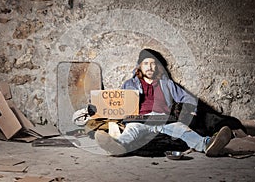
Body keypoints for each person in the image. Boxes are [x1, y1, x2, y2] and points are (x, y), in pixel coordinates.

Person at [94, 48, 232, 157]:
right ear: (140, 66)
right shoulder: (129, 84)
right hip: (139, 120)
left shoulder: (167, 84)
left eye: (153, 63)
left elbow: (188, 98)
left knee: (184, 130)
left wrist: (191, 109)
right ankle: (117, 146)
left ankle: (208, 144)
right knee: (130, 132)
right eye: (146, 63)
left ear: (158, 67)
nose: (150, 67)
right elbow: (118, 102)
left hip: (164, 119)